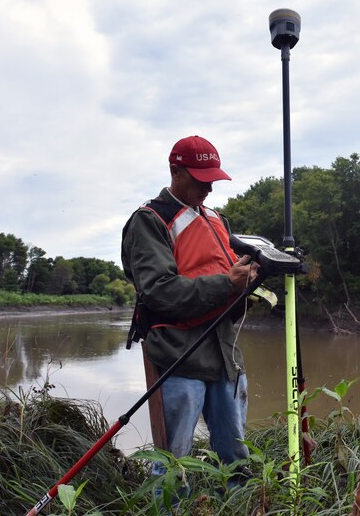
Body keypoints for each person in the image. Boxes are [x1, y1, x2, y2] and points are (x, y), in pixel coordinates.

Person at [121, 135, 259, 485]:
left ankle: (240, 509)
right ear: (175, 172)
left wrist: (252, 279)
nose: (208, 188)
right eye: (200, 179)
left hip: (225, 354)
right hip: (178, 358)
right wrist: (228, 284)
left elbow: (228, 276)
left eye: (212, 179)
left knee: (237, 458)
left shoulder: (217, 219)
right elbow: (158, 291)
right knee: (172, 464)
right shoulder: (149, 220)